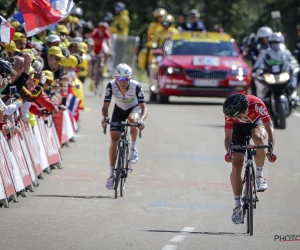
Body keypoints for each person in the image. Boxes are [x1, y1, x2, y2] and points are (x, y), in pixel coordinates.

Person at [223, 94, 276, 224]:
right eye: (237, 117)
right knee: (236, 165)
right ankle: (237, 206)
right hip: (238, 131)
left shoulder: (257, 105)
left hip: (256, 125)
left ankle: (259, 176)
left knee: (259, 138)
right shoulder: (230, 113)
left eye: (241, 115)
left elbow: (270, 129)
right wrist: (229, 152)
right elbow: (228, 138)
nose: (241, 118)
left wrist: (270, 149)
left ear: (246, 107)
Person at [101, 63, 148, 190]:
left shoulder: (136, 86)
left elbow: (144, 108)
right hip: (119, 109)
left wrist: (142, 120)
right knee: (114, 138)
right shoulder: (111, 85)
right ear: (116, 78)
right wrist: (105, 117)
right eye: (119, 79)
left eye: (125, 79)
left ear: (129, 79)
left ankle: (133, 148)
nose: (122, 82)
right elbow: (105, 107)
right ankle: (111, 175)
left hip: (133, 108)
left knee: (132, 119)